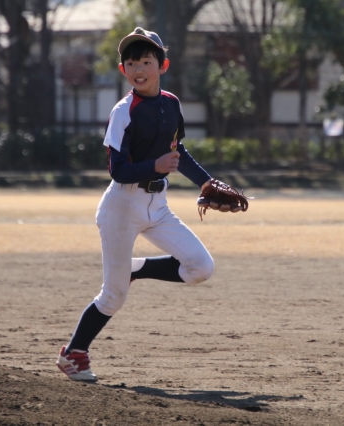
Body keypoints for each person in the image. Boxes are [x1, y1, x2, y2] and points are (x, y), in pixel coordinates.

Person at [56, 27, 215, 382]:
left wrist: (205, 182)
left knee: (200, 267)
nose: (139, 68)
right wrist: (154, 165)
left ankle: (136, 268)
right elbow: (117, 170)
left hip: (157, 205)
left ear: (163, 65)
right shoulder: (123, 111)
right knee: (114, 296)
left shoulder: (171, 103)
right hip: (122, 208)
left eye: (146, 61)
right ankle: (73, 354)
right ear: (122, 70)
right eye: (131, 63)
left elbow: (177, 150)